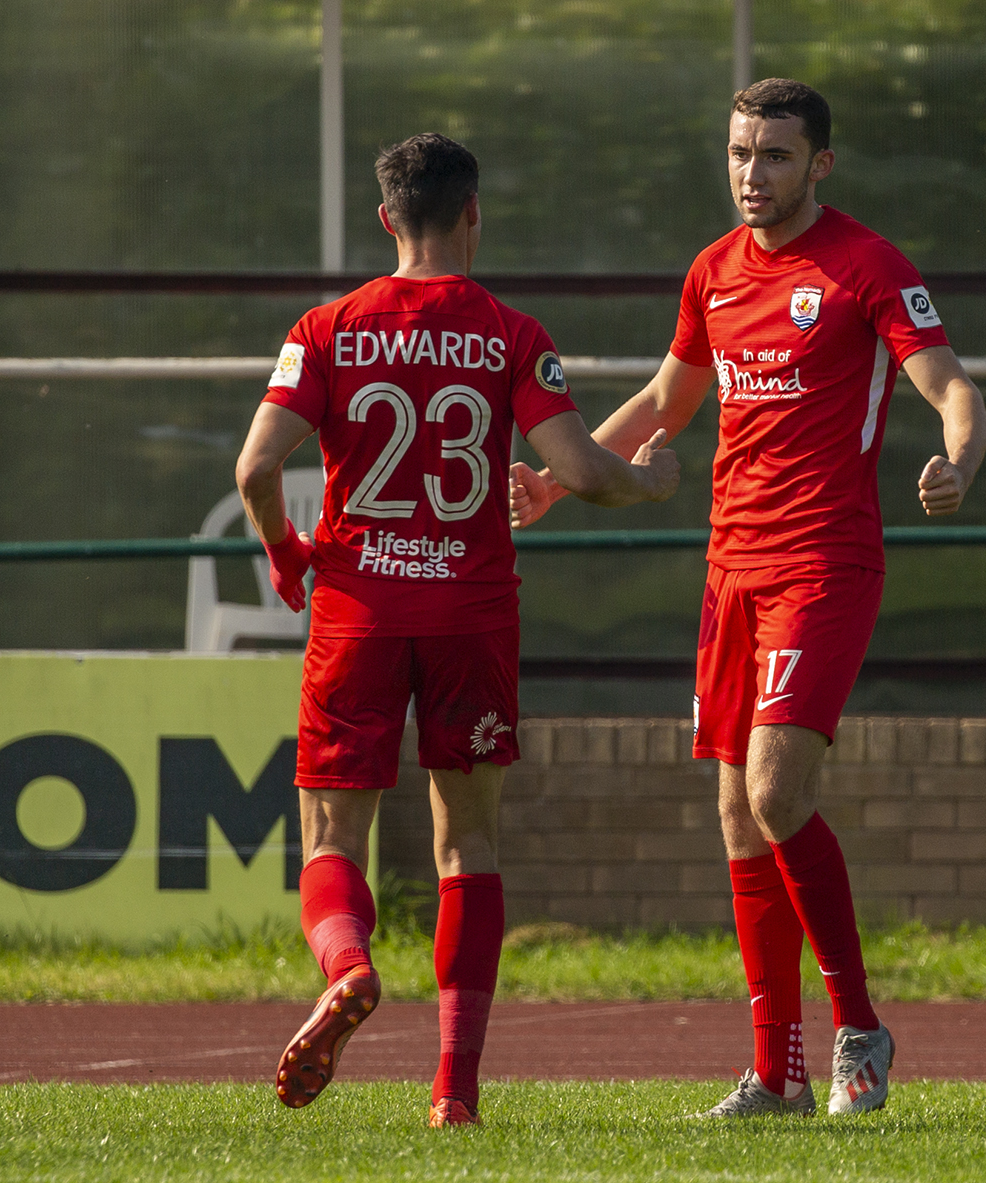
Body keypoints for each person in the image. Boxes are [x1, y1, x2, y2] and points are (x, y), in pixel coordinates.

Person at [509, 78, 986, 1118]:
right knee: (735, 813)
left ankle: (859, 1023)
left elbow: (951, 384)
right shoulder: (712, 273)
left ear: (820, 164)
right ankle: (776, 1071)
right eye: (738, 153)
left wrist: (959, 458)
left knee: (776, 793)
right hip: (731, 568)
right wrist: (561, 472)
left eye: (774, 156)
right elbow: (666, 400)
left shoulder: (868, 265)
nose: (750, 175)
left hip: (825, 565)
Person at [235, 132, 679, 1128]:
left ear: (388, 218)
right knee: (466, 842)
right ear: (475, 212)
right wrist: (651, 477)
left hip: (357, 609)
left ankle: (346, 966)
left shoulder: (328, 327)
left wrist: (285, 552)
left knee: (331, 831)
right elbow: (585, 470)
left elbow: (256, 470)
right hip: (471, 612)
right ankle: (454, 1094)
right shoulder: (511, 334)